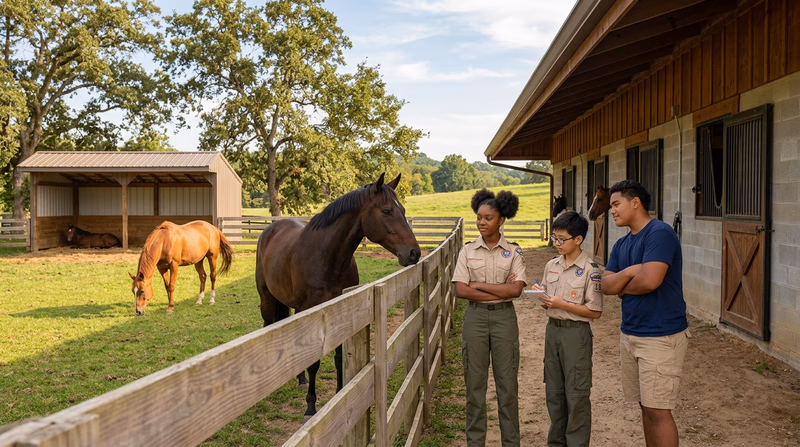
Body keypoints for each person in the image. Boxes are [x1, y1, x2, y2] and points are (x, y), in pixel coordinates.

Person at [600, 180, 689, 447]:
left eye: (616, 204)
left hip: (661, 336)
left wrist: (621, 288)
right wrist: (628, 272)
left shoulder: (659, 233)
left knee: (659, 410)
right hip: (631, 334)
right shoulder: (622, 244)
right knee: (646, 406)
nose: (611, 211)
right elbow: (604, 285)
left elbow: (651, 281)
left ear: (635, 202)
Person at [452, 188, 527, 447]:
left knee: (507, 390)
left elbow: (516, 291)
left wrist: (478, 285)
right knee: (475, 390)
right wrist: (499, 291)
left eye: (488, 218)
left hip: (505, 321)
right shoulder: (467, 251)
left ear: (501, 220)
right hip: (475, 320)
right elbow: (461, 290)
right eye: (479, 217)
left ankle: (511, 443)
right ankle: (475, 443)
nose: (481, 223)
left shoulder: (515, 252)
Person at [531, 210, 602, 447]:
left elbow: (595, 312)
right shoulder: (552, 265)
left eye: (562, 239)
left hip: (576, 335)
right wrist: (541, 297)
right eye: (554, 238)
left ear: (578, 239)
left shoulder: (591, 270)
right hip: (553, 331)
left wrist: (563, 304)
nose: (557, 243)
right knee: (554, 393)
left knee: (577, 395)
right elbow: (548, 305)